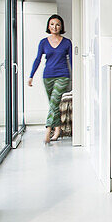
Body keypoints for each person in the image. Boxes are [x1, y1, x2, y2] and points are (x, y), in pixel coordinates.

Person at [28, 14, 72, 144]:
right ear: (48, 26)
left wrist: (77, 77)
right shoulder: (43, 42)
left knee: (54, 101)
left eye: (57, 24)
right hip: (47, 76)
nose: (55, 27)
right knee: (54, 105)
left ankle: (48, 130)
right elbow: (37, 59)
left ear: (61, 27)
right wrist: (31, 76)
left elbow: (72, 61)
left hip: (63, 75)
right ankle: (58, 129)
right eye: (52, 24)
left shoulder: (67, 42)